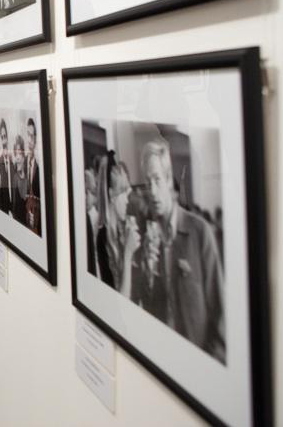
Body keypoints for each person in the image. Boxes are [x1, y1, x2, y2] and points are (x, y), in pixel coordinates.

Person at [137, 138, 225, 363]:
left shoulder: (199, 231)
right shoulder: (148, 239)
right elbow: (149, 314)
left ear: (168, 180)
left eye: (157, 179)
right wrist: (147, 277)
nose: (153, 191)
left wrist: (209, 367)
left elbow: (221, 316)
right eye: (148, 183)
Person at [94, 152, 141, 298]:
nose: (127, 201)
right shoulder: (103, 238)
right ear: (112, 195)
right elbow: (118, 300)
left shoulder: (126, 229)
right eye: (123, 194)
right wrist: (128, 254)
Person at [0, 118, 14, 215]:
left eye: (5, 136)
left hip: (14, 208)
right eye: (2, 137)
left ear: (8, 137)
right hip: (5, 210)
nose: (4, 140)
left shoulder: (13, 160)